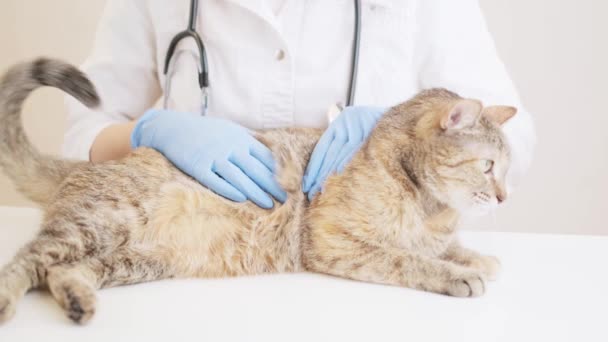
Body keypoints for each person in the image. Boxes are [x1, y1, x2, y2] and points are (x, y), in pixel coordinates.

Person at [63, 0, 535, 209]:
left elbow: (513, 133)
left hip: (372, 272)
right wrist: (152, 130)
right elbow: (81, 133)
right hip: (196, 251)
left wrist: (402, 131)